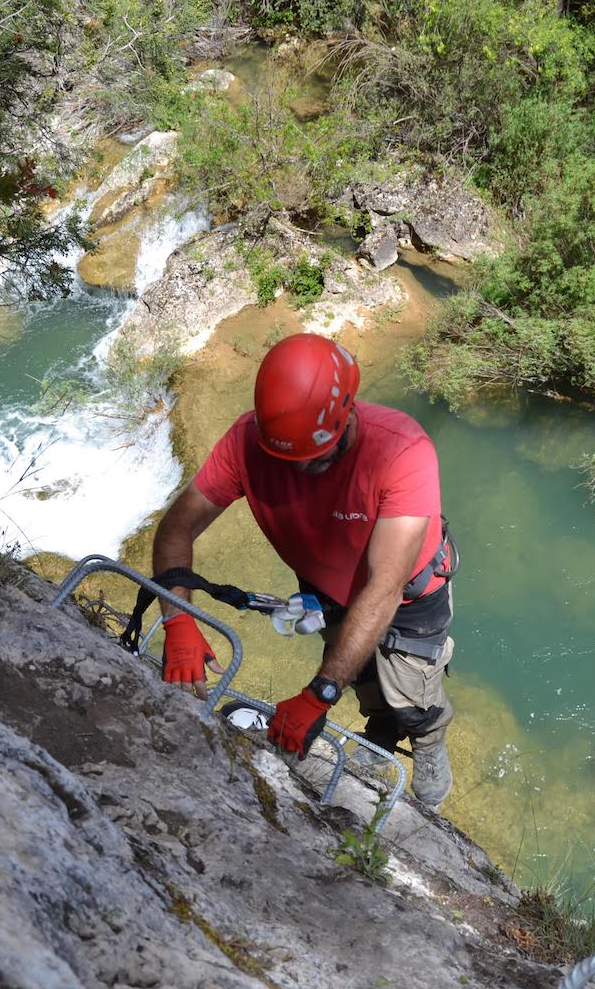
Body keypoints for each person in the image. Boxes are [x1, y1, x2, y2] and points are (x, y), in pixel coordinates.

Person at [149, 333, 459, 809]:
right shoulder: (248, 442)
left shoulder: (403, 453)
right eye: (287, 462)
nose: (300, 472)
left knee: (411, 696)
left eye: (316, 459)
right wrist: (177, 620)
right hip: (329, 591)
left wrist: (319, 693)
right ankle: (379, 729)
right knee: (365, 684)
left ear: (349, 411)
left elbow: (384, 588)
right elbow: (175, 532)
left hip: (407, 600)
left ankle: (427, 736)